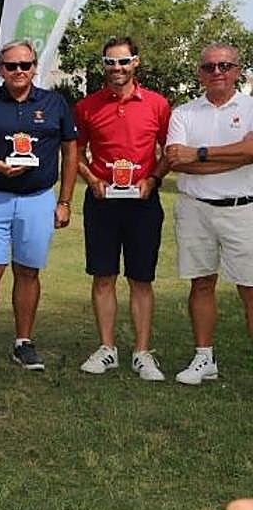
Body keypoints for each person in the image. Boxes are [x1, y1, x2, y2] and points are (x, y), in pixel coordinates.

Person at [0, 40, 77, 372]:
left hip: (37, 199)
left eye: (25, 65)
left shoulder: (54, 103)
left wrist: (65, 201)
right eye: (11, 66)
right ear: (0, 70)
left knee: (28, 271)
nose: (19, 71)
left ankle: (23, 342)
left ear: (35, 67)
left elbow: (71, 150)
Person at [75, 37, 171, 381]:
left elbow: (168, 151)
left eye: (123, 61)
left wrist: (154, 180)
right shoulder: (87, 107)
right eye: (110, 63)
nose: (117, 68)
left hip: (143, 203)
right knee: (103, 277)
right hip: (103, 203)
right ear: (104, 65)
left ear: (136, 63)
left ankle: (142, 353)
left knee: (141, 279)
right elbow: (77, 152)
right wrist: (91, 179)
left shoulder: (158, 105)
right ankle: (107, 349)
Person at [164, 43, 253, 385]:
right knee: (201, 283)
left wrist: (198, 154)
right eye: (209, 67)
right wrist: (236, 155)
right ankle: (204, 358)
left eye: (224, 66)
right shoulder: (184, 112)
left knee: (250, 287)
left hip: (242, 208)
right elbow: (175, 160)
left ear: (236, 70)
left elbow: (251, 150)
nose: (217, 72)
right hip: (195, 209)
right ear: (200, 72)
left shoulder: (248, 107)